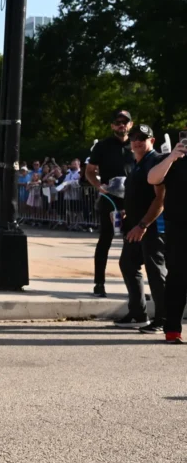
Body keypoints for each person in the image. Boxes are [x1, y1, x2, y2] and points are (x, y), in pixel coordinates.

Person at [115, 124, 166, 332]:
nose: (137, 141)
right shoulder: (137, 163)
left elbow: (160, 199)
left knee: (156, 273)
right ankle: (138, 313)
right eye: (134, 137)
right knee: (128, 264)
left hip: (151, 228)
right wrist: (126, 213)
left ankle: (163, 319)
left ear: (151, 141)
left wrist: (143, 225)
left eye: (143, 138)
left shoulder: (154, 162)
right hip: (135, 226)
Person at [86, 110, 135, 298]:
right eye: (118, 122)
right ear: (112, 125)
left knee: (133, 243)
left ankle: (134, 287)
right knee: (105, 241)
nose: (121, 125)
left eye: (125, 122)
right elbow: (89, 171)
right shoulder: (102, 146)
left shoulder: (137, 144)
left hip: (132, 199)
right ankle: (99, 283)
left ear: (130, 124)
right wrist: (99, 186)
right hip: (109, 199)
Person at [148, 132, 187, 344]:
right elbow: (152, 178)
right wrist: (172, 157)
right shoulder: (175, 161)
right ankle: (172, 330)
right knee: (177, 279)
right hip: (179, 228)